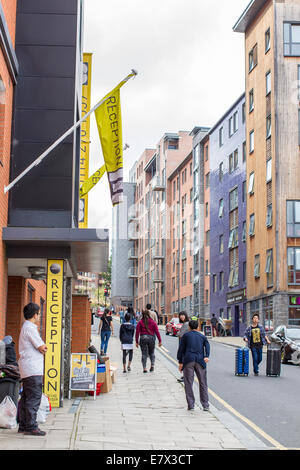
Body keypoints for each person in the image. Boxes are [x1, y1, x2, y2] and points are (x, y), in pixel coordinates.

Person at [18, 303, 48, 436]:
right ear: (35, 314)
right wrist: (44, 348)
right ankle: (31, 426)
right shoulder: (30, 327)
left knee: (26, 397)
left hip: (27, 368)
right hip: (32, 368)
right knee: (34, 397)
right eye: (39, 313)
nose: (39, 316)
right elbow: (42, 347)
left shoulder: (25, 327)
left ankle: (24, 425)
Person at [177, 319, 210, 412]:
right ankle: (205, 405)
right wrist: (207, 356)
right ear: (198, 327)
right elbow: (207, 346)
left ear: (189, 327)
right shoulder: (202, 336)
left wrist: (180, 362)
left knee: (188, 382)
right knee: (203, 383)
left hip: (188, 361)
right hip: (200, 360)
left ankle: (191, 405)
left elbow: (181, 349)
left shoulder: (185, 336)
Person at [177, 311, 190, 383]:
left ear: (185, 315)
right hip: (185, 344)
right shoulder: (185, 324)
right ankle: (185, 376)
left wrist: (179, 333)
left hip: (185, 344)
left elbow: (181, 335)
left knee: (184, 360)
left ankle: (185, 377)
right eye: (180, 315)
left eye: (182, 315)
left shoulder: (186, 324)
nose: (181, 316)